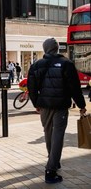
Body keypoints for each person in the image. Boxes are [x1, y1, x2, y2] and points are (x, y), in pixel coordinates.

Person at [27, 37, 87, 184]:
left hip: (44, 106)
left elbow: (31, 87)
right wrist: (81, 105)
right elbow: (75, 87)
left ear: (45, 49)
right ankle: (51, 170)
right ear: (57, 48)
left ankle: (52, 159)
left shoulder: (36, 65)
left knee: (48, 133)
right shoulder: (67, 64)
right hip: (61, 106)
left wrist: (36, 103)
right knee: (58, 136)